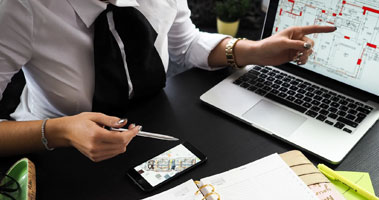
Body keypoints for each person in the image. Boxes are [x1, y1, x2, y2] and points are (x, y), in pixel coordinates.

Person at [0, 0, 335, 162]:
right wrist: (60, 131)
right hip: (55, 151)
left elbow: (184, 43)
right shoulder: (18, 8)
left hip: (153, 124)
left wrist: (254, 51)